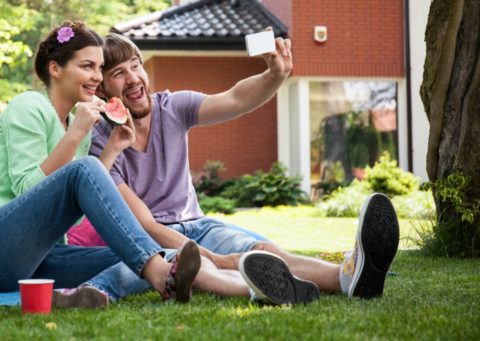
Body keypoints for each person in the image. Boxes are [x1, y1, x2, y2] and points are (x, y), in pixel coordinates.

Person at [0, 22, 308, 309]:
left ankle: (255, 291)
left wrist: (112, 148)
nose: (96, 76)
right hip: (6, 248)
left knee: (162, 255)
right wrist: (78, 134)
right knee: (92, 176)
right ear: (55, 69)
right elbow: (29, 188)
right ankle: (160, 273)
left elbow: (74, 205)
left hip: (44, 258)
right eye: (87, 67)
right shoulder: (30, 106)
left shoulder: (77, 124)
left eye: (98, 68)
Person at [81, 32, 400, 300]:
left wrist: (275, 75)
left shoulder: (173, 107)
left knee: (264, 251)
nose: (133, 78)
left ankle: (349, 277)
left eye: (135, 66)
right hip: (153, 241)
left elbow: (234, 99)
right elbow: (146, 225)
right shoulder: (103, 144)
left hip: (198, 224)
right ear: (105, 88)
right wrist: (217, 258)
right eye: (118, 74)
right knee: (210, 266)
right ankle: (268, 289)